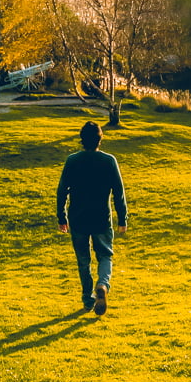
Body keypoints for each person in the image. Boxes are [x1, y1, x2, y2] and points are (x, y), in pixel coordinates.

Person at [56, 121, 128, 315]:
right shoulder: (109, 160)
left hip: (78, 218)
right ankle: (102, 285)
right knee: (105, 255)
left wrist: (61, 217)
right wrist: (123, 219)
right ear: (100, 139)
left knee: (83, 260)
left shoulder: (72, 160)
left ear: (82, 139)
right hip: (101, 219)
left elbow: (62, 191)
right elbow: (119, 193)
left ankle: (88, 300)